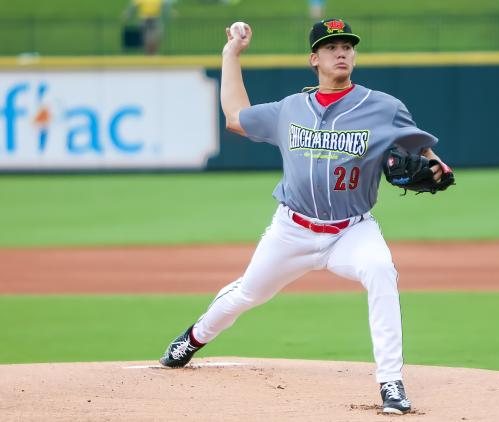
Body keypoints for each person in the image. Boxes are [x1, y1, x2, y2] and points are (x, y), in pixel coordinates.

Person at [159, 18, 451, 415]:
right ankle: (192, 338)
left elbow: (416, 143)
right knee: (248, 293)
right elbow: (235, 115)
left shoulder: (382, 107)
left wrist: (438, 167)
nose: (342, 52)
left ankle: (391, 382)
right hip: (291, 230)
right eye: (332, 47)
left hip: (352, 231)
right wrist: (231, 54)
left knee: (381, 271)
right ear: (314, 58)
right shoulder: (290, 109)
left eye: (348, 46)